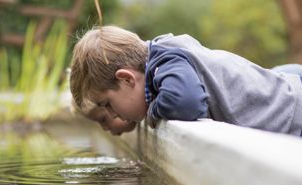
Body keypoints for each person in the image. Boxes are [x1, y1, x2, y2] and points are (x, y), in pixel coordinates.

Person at [69, 26, 302, 136]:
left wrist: (151, 111)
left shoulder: (165, 60)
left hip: (292, 115)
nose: (114, 114)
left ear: (127, 79)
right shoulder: (159, 60)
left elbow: (186, 103)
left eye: (107, 104)